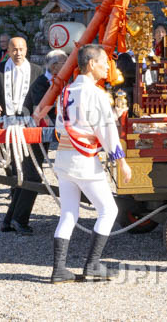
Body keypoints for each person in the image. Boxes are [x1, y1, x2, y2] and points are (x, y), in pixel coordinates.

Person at [50, 45, 132, 283]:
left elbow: (61, 128)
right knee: (109, 210)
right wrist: (122, 162)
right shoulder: (96, 94)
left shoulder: (65, 92)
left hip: (64, 159)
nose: (108, 66)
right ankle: (93, 264)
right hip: (85, 161)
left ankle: (59, 269)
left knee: (68, 213)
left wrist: (111, 115)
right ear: (91, 64)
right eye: (104, 61)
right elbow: (107, 133)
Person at [2, 49, 66, 235]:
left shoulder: (53, 83)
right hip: (31, 134)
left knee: (28, 177)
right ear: (54, 66)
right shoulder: (41, 84)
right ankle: (19, 220)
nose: (67, 65)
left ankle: (10, 220)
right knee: (32, 178)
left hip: (39, 135)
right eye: (64, 62)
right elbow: (43, 109)